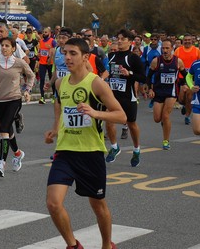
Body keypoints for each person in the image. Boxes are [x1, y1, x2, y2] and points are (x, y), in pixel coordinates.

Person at [44, 37, 126, 249]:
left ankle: (107, 244)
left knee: (98, 205)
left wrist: (95, 112)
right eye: (65, 53)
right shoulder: (60, 83)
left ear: (85, 57)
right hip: (65, 151)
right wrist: (54, 129)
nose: (67, 57)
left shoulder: (96, 83)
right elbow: (62, 110)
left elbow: (121, 116)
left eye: (73, 53)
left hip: (91, 152)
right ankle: (73, 245)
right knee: (53, 203)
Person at [0, 36, 34, 177]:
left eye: (7, 46)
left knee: (3, 129)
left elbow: (31, 75)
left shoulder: (19, 63)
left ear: (13, 48)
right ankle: (18, 153)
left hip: (14, 99)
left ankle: (1, 164)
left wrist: (27, 90)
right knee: (8, 130)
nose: (4, 48)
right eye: (2, 45)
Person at [105, 29, 146, 167]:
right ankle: (115, 146)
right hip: (113, 96)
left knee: (131, 124)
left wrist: (129, 73)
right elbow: (107, 72)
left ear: (130, 42)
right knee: (108, 120)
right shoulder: (111, 56)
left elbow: (142, 77)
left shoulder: (133, 58)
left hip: (128, 97)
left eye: (123, 39)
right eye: (118, 38)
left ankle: (136, 149)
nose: (120, 41)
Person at [146, 39, 186, 150]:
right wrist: (150, 89)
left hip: (171, 92)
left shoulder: (178, 61)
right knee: (157, 118)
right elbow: (149, 76)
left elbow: (185, 74)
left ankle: (166, 141)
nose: (165, 50)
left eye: (167, 48)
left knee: (166, 115)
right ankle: (165, 124)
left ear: (172, 49)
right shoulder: (156, 61)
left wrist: (184, 84)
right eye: (163, 48)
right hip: (158, 92)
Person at [174, 33, 200, 125]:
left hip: (192, 78)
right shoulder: (178, 50)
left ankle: (187, 116)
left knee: (189, 96)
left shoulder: (196, 50)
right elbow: (174, 62)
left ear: (192, 41)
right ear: (183, 41)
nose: (187, 41)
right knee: (181, 99)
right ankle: (185, 106)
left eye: (189, 40)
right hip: (181, 78)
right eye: (185, 40)